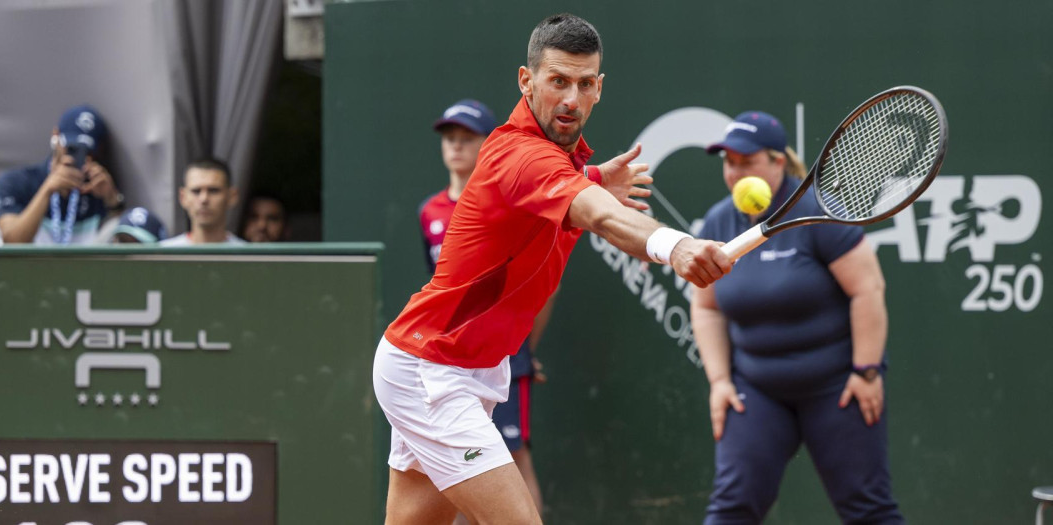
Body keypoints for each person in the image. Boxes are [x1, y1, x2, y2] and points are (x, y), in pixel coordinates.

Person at [372, 13, 731, 524]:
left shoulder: (560, 162)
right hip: (433, 369)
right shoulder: (522, 157)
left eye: (584, 84)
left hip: (461, 367)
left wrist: (590, 178)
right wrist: (674, 246)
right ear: (527, 81)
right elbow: (603, 216)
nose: (571, 99)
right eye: (557, 81)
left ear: (599, 88)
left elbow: (580, 201)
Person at [691, 110, 903, 524]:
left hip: (837, 387)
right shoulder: (719, 220)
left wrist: (867, 371)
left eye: (746, 161)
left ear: (777, 162)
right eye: (728, 163)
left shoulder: (818, 213)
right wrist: (719, 382)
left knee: (869, 509)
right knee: (731, 508)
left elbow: (868, 289)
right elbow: (705, 307)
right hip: (758, 390)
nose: (735, 173)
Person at [421, 98, 549, 521]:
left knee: (513, 458)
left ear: (488, 145)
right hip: (450, 359)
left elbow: (542, 282)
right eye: (449, 138)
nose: (456, 146)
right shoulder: (430, 213)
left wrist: (523, 344)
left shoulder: (506, 204)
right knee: (455, 463)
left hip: (504, 351)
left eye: (467, 138)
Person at [0, 104, 124, 245]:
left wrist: (113, 202)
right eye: (72, 149)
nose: (80, 158)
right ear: (55, 137)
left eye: (88, 151)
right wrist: (47, 190)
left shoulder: (97, 188)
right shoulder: (17, 181)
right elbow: (12, 241)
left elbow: (122, 247)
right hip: (29, 267)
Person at [162, 157, 245, 245]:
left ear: (232, 196)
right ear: (183, 197)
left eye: (213, 190)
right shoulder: (161, 255)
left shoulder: (248, 256)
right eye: (196, 191)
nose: (204, 199)